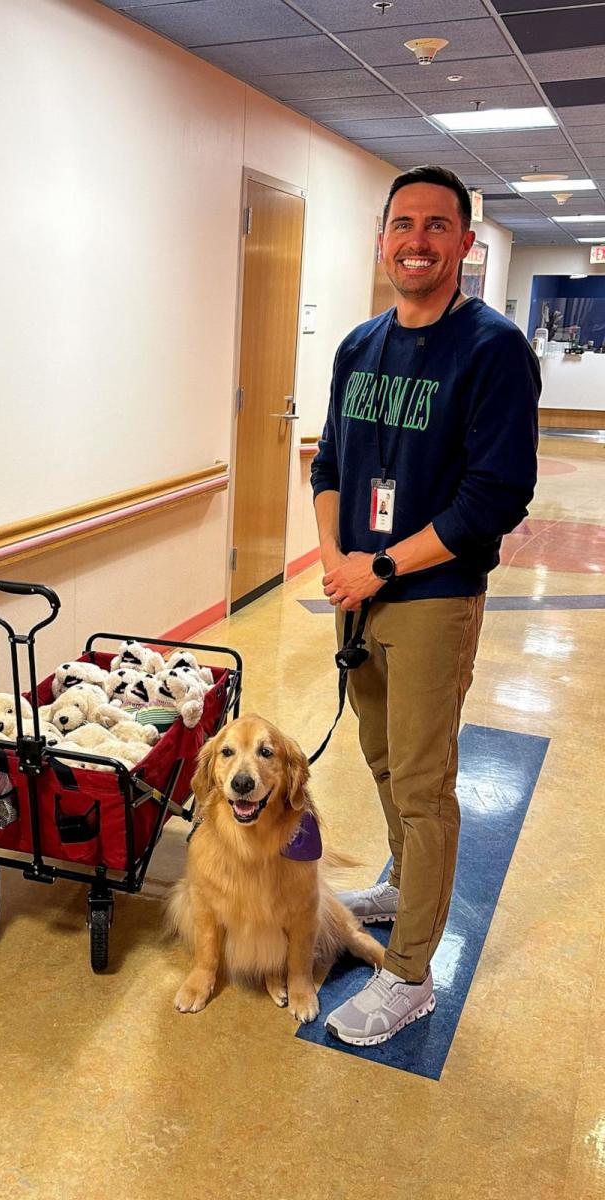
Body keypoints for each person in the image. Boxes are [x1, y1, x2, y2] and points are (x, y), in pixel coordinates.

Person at [310, 165, 540, 1046]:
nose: (418, 239)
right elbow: (331, 463)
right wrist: (338, 560)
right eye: (403, 222)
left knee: (423, 782)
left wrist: (380, 566)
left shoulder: (491, 349)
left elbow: (495, 496)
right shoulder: (360, 347)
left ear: (464, 243)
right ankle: (403, 881)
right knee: (378, 757)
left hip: (432, 596)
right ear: (383, 237)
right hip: (359, 591)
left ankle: (411, 972)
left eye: (437, 225)